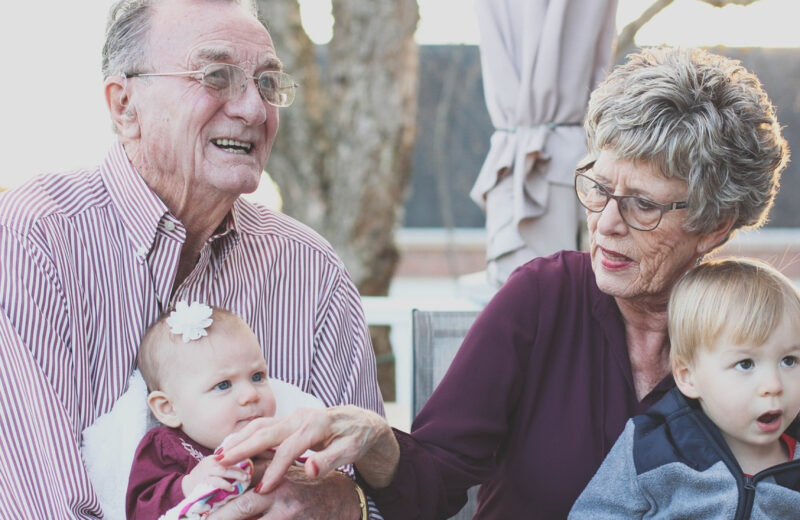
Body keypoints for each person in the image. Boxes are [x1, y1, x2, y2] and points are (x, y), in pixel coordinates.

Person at [214, 46, 791, 519]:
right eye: (597, 186)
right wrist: (376, 438)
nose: (606, 223)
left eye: (642, 205)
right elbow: (432, 484)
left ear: (714, 226)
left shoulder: (766, 339)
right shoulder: (544, 299)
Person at [0, 0, 383, 518]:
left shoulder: (310, 270)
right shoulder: (34, 239)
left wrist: (341, 502)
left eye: (268, 83)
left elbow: (374, 497)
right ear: (123, 105)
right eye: (216, 76)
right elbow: (38, 507)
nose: (253, 109)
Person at [569, 258, 800, 519]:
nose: (774, 385)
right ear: (688, 377)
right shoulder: (654, 445)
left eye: (789, 360)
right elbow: (596, 513)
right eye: (745, 364)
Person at [127, 302, 277, 518]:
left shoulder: (275, 439)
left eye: (257, 376)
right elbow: (140, 510)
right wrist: (188, 485)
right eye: (223, 385)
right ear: (168, 408)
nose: (251, 394)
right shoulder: (167, 447)